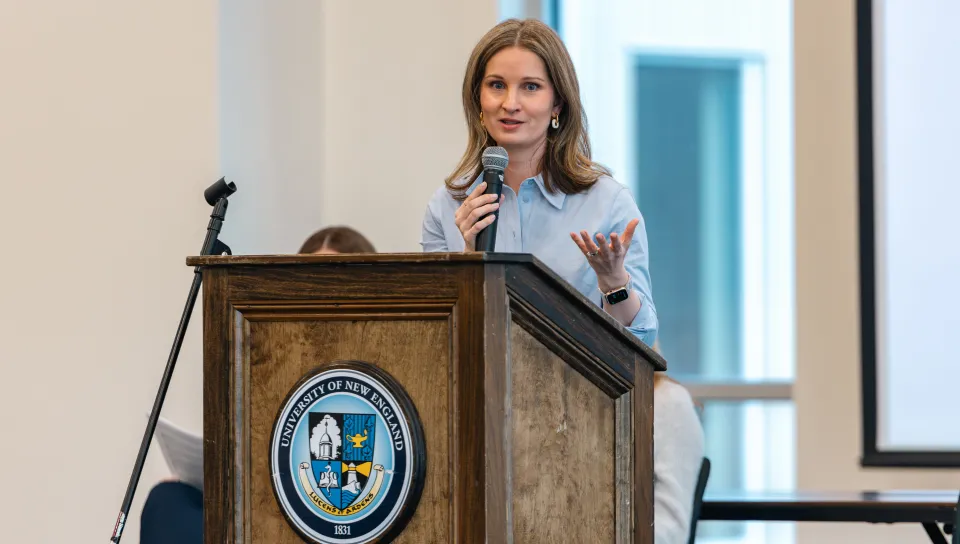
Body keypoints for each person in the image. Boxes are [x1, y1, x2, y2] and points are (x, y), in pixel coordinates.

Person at [419, 18, 703, 543]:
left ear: (558, 106)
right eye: (496, 85)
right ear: (477, 99)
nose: (511, 103)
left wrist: (613, 282)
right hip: (476, 432)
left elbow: (639, 343)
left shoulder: (605, 202)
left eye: (530, 87)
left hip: (577, 428)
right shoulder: (450, 204)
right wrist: (465, 258)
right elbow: (434, 346)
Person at [139, 225, 376, 544]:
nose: (321, 294)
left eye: (333, 281)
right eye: (310, 282)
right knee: (168, 500)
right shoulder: (271, 353)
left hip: (324, 517)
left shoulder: (375, 365)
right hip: (258, 505)